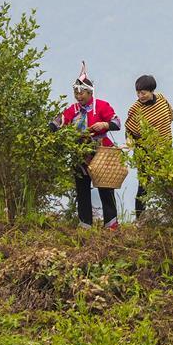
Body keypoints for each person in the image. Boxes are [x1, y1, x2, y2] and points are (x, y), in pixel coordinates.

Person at [51, 63, 122, 230]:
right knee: (82, 189)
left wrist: (104, 125)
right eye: (76, 92)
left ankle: (111, 224)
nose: (78, 95)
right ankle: (85, 225)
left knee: (106, 186)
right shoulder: (73, 109)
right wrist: (51, 128)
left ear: (90, 92)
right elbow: (60, 121)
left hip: (101, 151)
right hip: (80, 153)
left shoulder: (102, 106)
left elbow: (117, 122)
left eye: (81, 92)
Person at [125, 74, 173, 219]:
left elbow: (169, 116)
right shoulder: (135, 108)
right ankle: (140, 220)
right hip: (144, 152)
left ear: (151, 91)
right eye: (138, 93)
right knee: (144, 185)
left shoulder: (161, 100)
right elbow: (130, 130)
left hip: (164, 150)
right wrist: (129, 143)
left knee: (171, 183)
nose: (140, 96)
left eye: (143, 93)